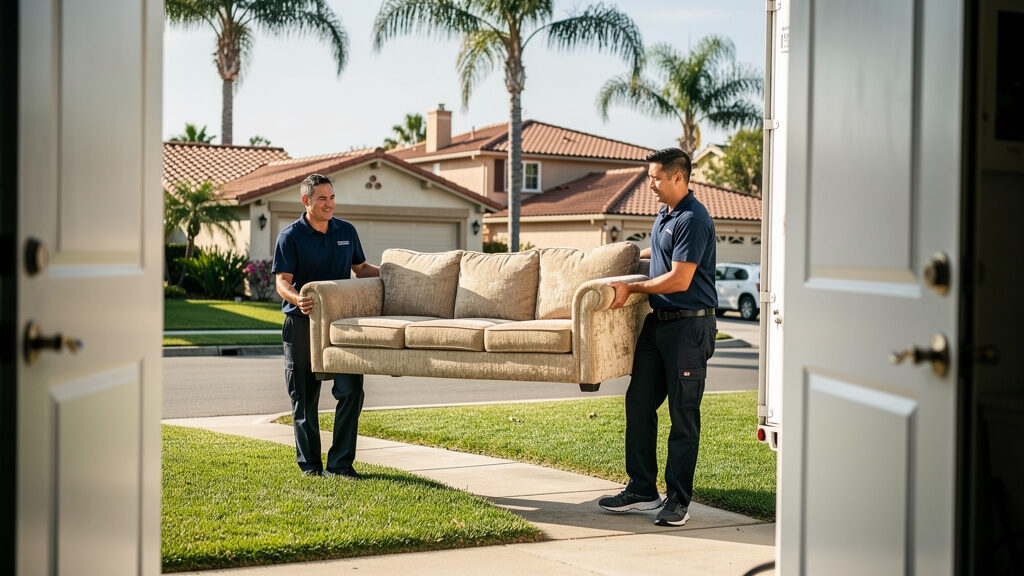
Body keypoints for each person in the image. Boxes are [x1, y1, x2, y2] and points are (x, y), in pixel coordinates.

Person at [598, 147, 717, 526]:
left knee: (683, 415)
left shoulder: (694, 219)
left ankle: (678, 500)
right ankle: (642, 488)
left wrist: (632, 289)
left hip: (689, 327)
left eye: (656, 178)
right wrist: (621, 258)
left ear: (678, 177)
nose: (651, 184)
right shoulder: (666, 215)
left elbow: (680, 278)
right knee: (639, 402)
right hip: (659, 324)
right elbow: (661, 252)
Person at [272, 173, 379, 478]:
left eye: (332, 197)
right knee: (304, 398)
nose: (329, 204)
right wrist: (298, 298)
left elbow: (361, 269)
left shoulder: (346, 231)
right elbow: (282, 282)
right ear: (306, 200)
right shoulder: (290, 237)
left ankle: (341, 464)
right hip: (302, 324)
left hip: (343, 325)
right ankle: (310, 467)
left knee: (351, 391)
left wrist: (395, 271)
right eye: (322, 198)